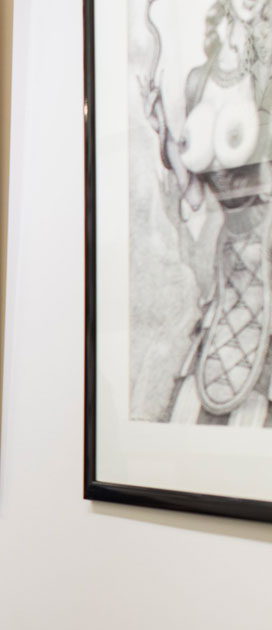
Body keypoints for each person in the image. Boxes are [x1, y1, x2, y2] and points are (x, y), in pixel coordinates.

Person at [141, 0, 272, 422]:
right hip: (229, 254)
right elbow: (195, 196)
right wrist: (162, 128)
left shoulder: (266, 73)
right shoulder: (199, 80)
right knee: (198, 393)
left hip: (268, 246)